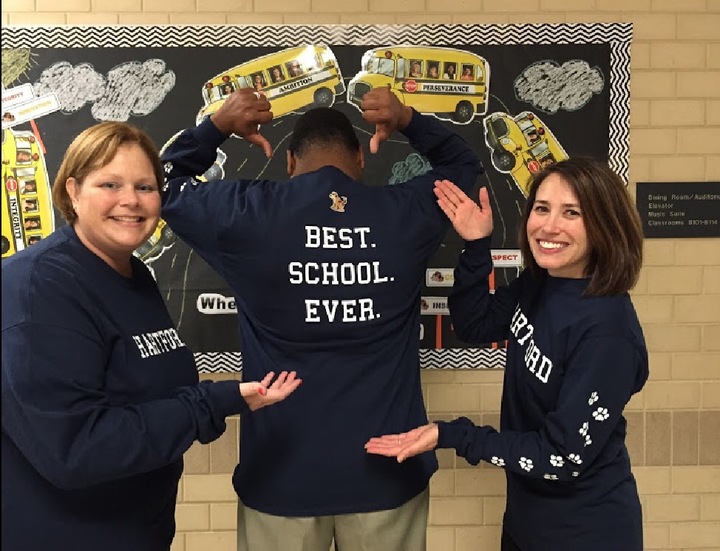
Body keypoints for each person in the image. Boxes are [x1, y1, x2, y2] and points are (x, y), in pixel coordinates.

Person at [159, 87, 482, 551]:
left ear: (290, 163)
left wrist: (218, 124)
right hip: (387, 476)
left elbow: (161, 184)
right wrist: (408, 118)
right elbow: (463, 167)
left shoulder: (247, 212)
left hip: (281, 480)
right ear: (359, 159)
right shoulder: (404, 212)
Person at [1, 121, 302, 551]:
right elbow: (75, 450)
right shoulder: (38, 289)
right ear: (73, 191)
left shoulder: (131, 271)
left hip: (138, 531)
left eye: (145, 187)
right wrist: (214, 402)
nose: (131, 201)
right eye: (110, 183)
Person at [365, 158, 647, 551]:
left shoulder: (608, 333)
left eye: (572, 213)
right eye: (542, 208)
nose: (549, 226)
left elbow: (560, 457)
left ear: (604, 225)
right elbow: (476, 325)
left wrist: (452, 434)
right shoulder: (543, 282)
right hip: (526, 521)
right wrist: (478, 245)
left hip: (586, 532)